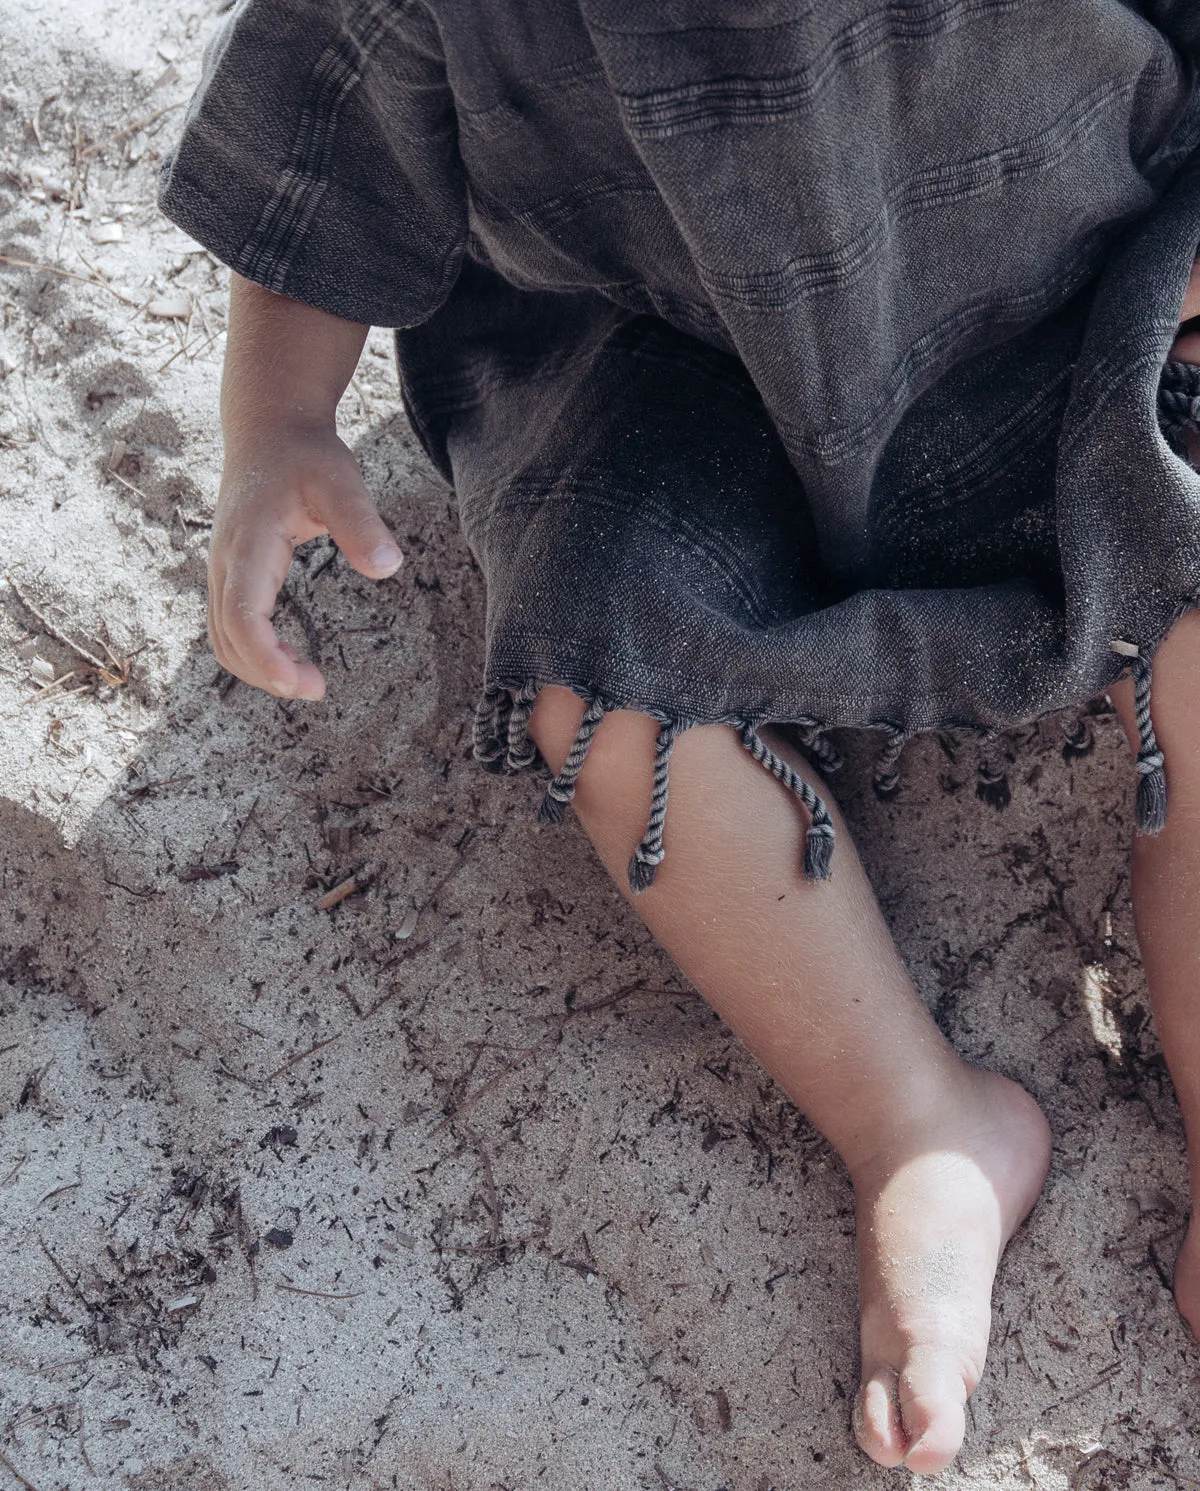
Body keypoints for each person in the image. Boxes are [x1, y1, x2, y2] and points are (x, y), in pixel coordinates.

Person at [160, 0, 1200, 1472]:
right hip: (682, 367)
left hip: (1080, 282)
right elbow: (324, 140)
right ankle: (918, 1126)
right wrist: (278, 424)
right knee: (600, 700)